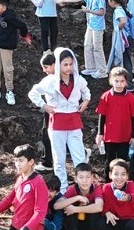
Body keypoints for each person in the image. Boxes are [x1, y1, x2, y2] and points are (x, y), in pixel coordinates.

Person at [29, 47, 91, 190]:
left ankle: (83, 188)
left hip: (74, 122)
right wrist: (44, 105)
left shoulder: (78, 79)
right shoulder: (50, 81)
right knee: (59, 159)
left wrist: (85, 101)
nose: (69, 68)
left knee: (79, 157)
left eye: (71, 64)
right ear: (58, 64)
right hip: (57, 124)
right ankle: (62, 190)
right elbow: (33, 92)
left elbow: (86, 91)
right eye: (65, 64)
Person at [60, 0, 108, 78]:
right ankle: (90, 68)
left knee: (97, 48)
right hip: (90, 25)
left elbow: (102, 12)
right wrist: (64, 0)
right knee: (87, 45)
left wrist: (88, 11)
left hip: (97, 27)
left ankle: (102, 71)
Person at [94, 66, 134, 169]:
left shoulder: (131, 98)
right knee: (109, 161)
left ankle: (123, 183)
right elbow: (102, 116)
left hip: (124, 136)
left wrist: (133, 136)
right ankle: (108, 183)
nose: (119, 84)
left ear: (126, 82)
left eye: (122, 81)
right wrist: (100, 133)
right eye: (116, 81)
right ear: (111, 81)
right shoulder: (106, 96)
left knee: (123, 162)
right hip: (109, 137)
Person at [56, 163, 105, 230]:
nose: (85, 181)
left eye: (87, 177)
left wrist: (76, 209)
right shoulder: (72, 189)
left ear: (92, 178)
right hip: (77, 224)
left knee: (92, 208)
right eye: (81, 177)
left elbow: (99, 207)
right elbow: (56, 205)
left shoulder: (96, 188)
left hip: (92, 224)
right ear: (76, 179)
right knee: (67, 207)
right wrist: (77, 198)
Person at [0, 0, 32, 105]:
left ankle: (9, 91)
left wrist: (24, 36)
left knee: (7, 69)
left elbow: (22, 26)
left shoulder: (10, 17)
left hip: (7, 47)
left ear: (4, 7)